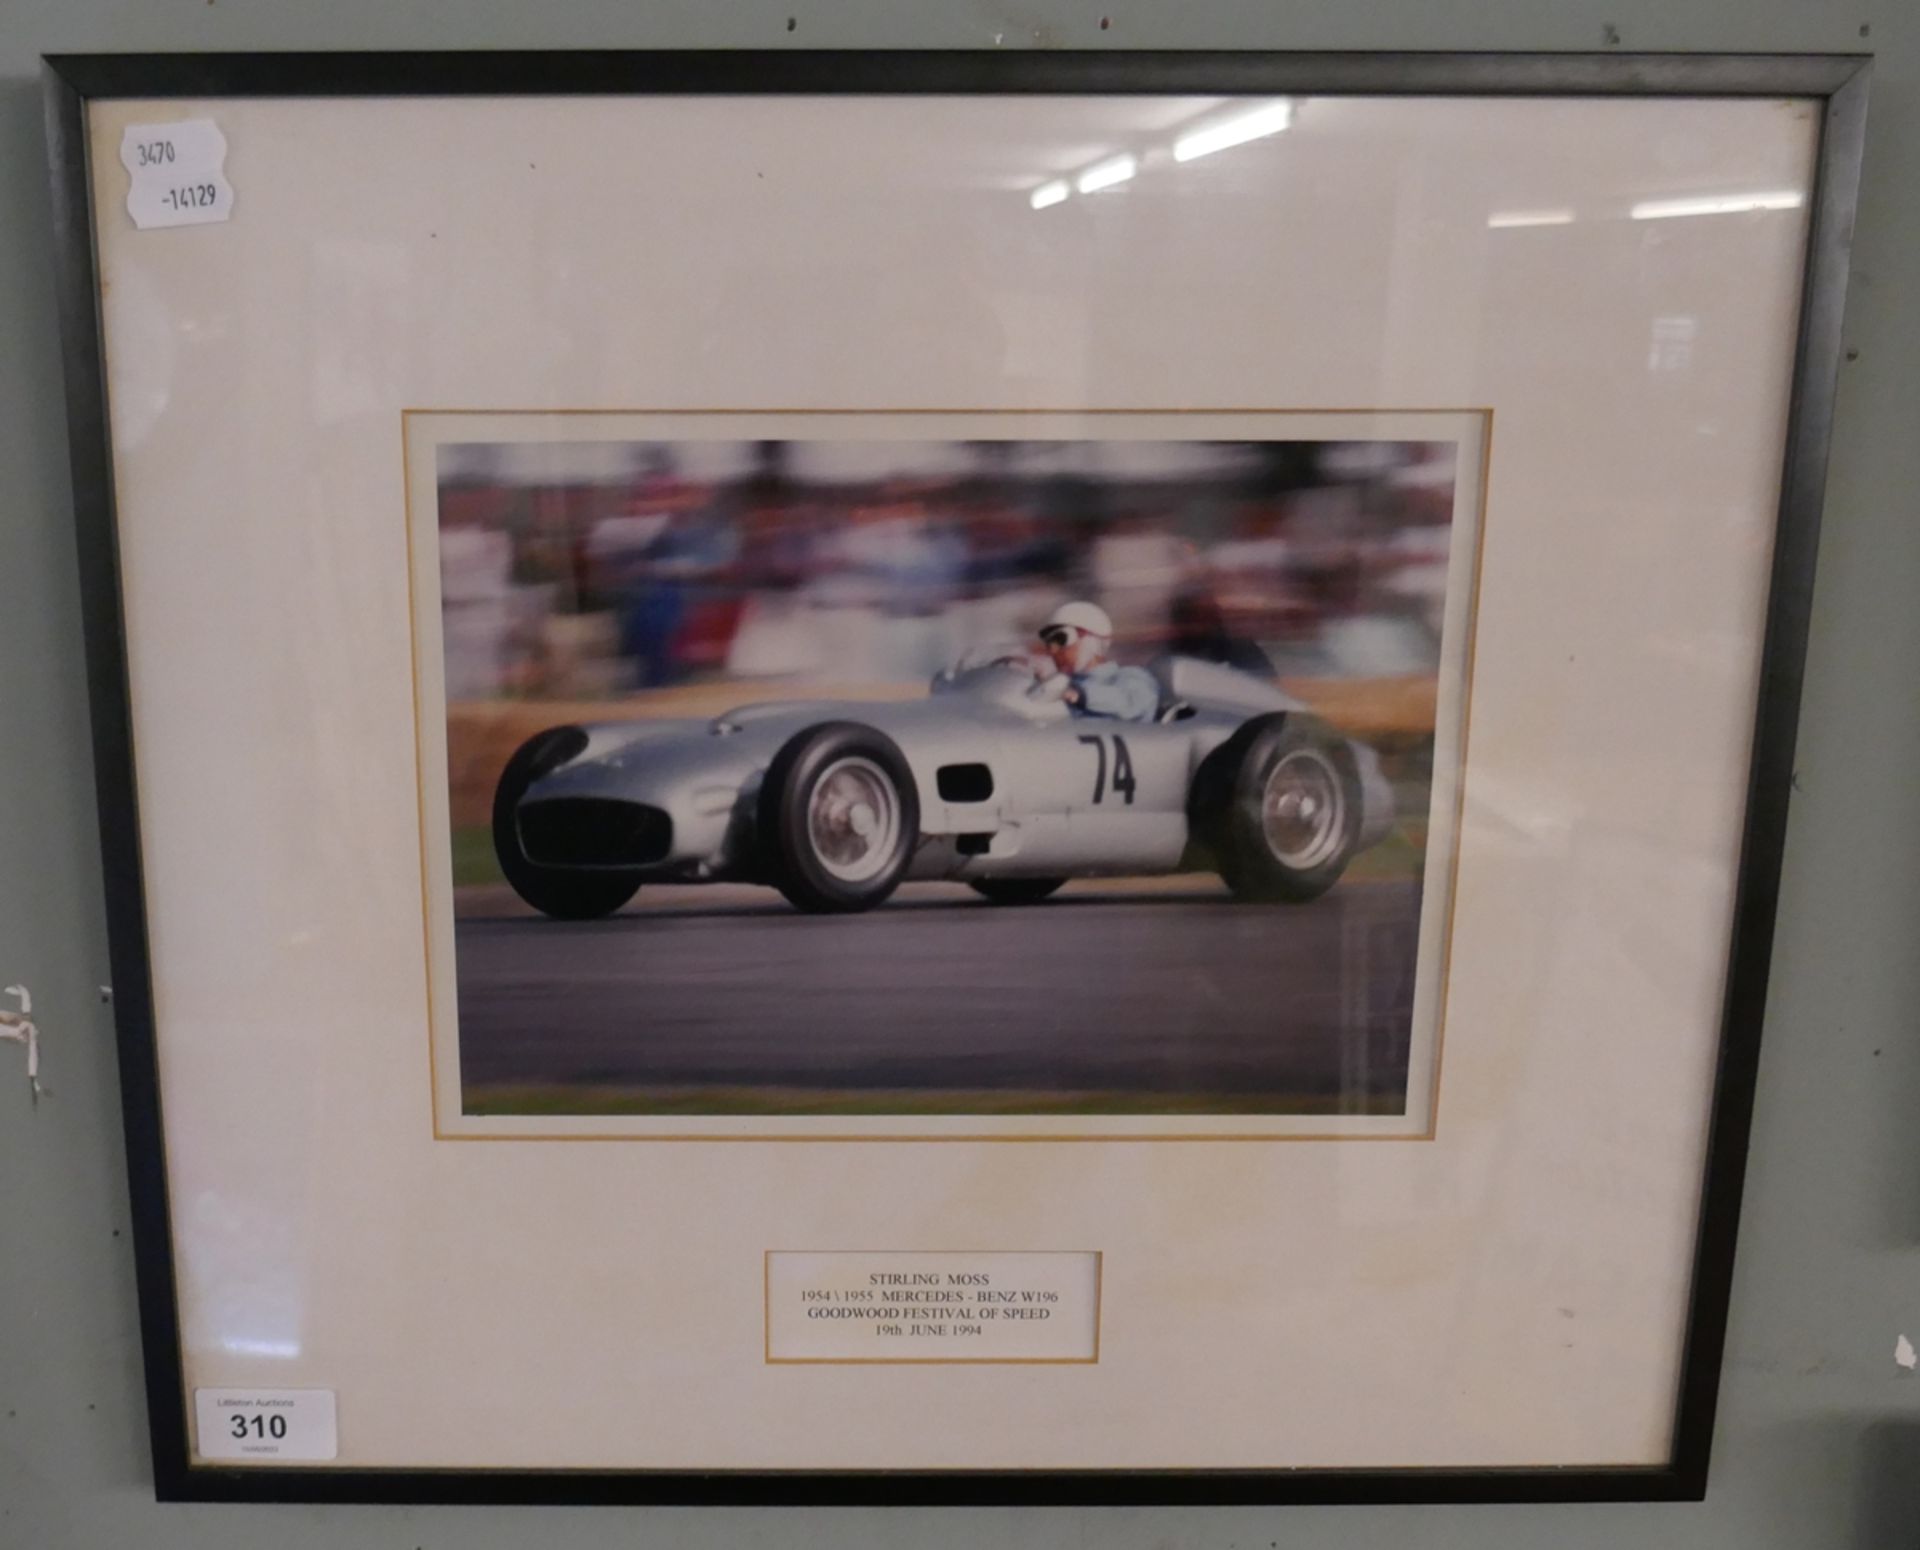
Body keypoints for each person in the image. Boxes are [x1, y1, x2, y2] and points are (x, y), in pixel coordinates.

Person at [1032, 601, 1160, 722]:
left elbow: (1130, 703)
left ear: (1091, 642)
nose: (1053, 651)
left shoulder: (1132, 677)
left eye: (1060, 639)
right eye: (1049, 644)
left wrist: (1077, 694)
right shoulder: (1059, 686)